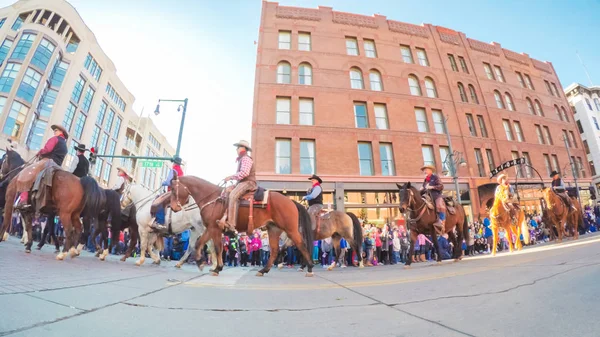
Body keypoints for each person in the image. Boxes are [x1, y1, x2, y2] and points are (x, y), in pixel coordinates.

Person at [16, 125, 68, 208]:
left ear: (61, 132)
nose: (54, 132)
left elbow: (47, 149)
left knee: (28, 173)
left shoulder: (54, 139)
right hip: (58, 166)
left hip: (48, 162)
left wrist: (40, 152)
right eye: (54, 130)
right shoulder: (65, 146)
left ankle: (23, 199)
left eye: (56, 130)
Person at [219, 140, 256, 233]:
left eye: (238, 147)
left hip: (248, 182)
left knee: (233, 195)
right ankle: (225, 216)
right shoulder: (241, 158)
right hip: (242, 182)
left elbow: (245, 173)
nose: (237, 149)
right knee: (225, 191)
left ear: (243, 148)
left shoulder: (246, 158)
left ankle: (231, 224)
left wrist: (231, 177)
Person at [420, 165, 445, 235]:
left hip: (436, 195)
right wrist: (421, 189)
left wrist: (432, 187)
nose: (424, 171)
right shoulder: (425, 180)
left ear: (431, 171)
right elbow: (424, 189)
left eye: (426, 170)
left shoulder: (435, 177)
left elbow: (441, 186)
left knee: (439, 204)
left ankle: (442, 221)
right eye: (424, 170)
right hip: (427, 196)